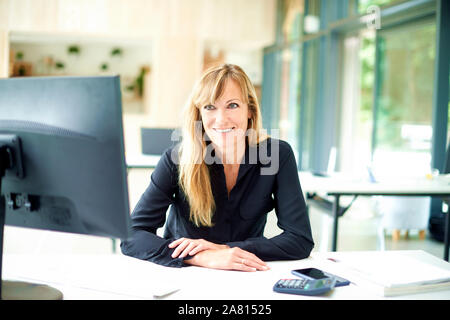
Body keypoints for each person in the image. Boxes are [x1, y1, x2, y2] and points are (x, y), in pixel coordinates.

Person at [120, 64, 314, 271]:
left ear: (250, 110)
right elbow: (132, 235)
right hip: (185, 274)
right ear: (199, 114)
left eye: (232, 105)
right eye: (210, 107)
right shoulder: (177, 159)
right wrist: (200, 257)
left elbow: (299, 239)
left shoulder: (276, 154)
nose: (221, 119)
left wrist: (223, 249)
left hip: (247, 273)